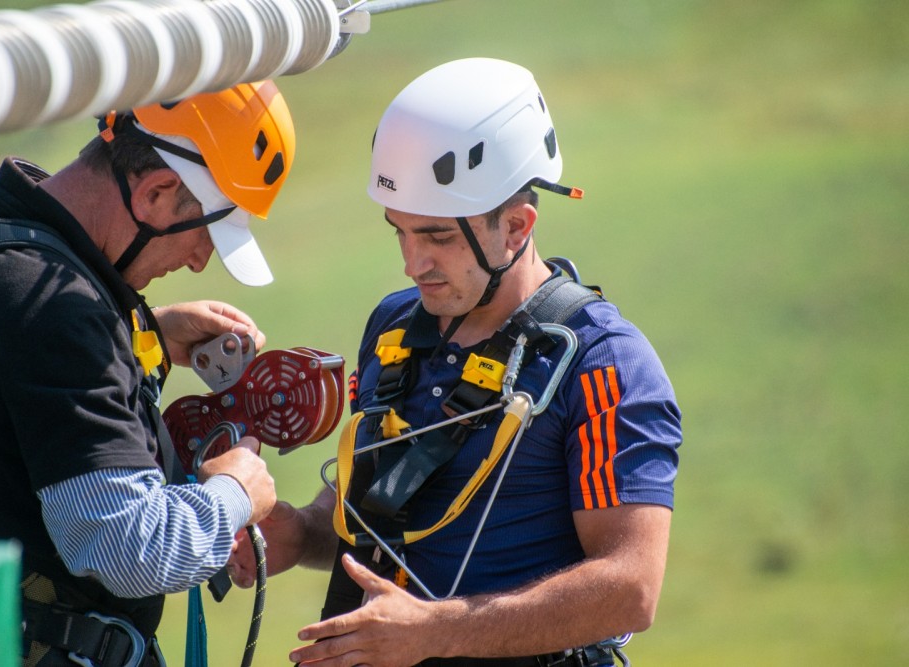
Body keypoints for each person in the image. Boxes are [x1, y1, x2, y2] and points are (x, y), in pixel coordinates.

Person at [228, 58, 682, 667]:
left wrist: (434, 632)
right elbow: (382, 504)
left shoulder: (604, 365)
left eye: (438, 237)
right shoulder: (395, 327)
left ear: (517, 227)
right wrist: (303, 531)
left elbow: (631, 588)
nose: (413, 264)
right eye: (401, 233)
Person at [0, 81, 296, 666]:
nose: (198, 260)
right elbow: (127, 548)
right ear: (158, 192)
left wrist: (145, 335)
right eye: (207, 233)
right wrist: (238, 492)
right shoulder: (59, 315)